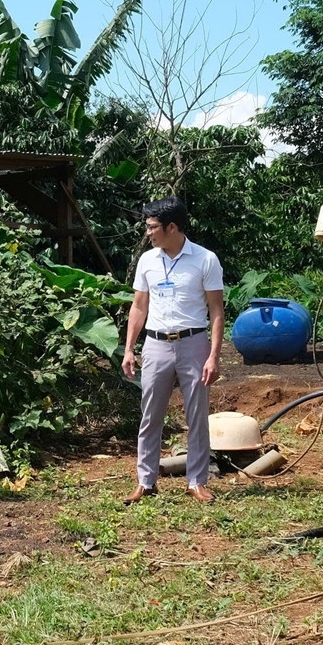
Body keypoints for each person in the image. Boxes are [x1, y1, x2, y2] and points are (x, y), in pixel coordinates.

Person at [121, 197, 225, 504]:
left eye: (153, 228)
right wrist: (129, 349)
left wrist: (213, 355)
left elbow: (217, 310)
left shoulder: (205, 260)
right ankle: (146, 481)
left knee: (197, 414)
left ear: (172, 227)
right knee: (150, 415)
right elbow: (139, 306)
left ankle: (197, 481)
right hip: (155, 344)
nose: (149, 233)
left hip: (193, 342)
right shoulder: (148, 261)